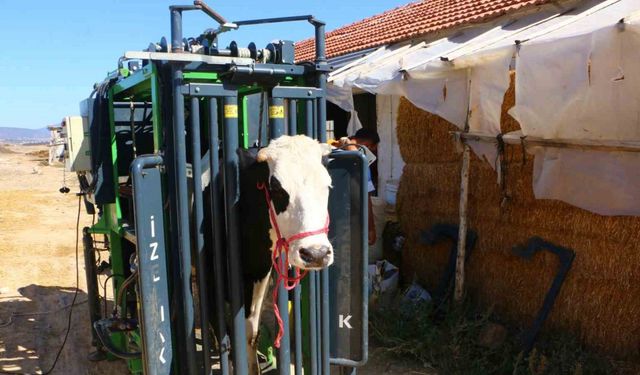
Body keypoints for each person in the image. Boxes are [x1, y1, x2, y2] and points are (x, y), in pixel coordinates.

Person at [331, 128, 380, 246]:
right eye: (373, 148)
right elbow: (365, 196)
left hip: (326, 217)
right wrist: (371, 228)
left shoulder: (331, 149)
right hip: (347, 219)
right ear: (368, 145)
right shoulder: (360, 162)